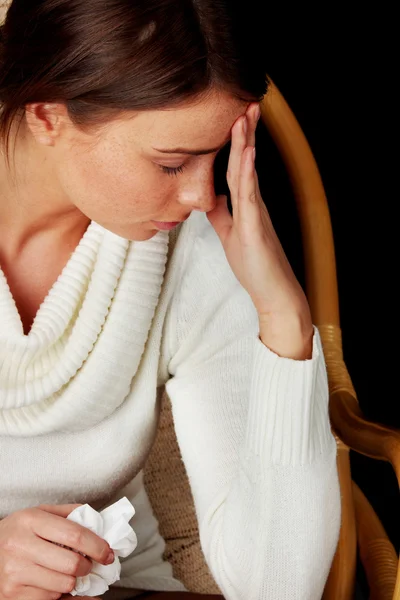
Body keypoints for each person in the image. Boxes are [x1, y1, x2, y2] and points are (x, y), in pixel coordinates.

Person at [0, 0, 341, 598]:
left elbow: (278, 585)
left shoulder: (194, 249)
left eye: (219, 158)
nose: (200, 195)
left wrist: (283, 316)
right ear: (47, 116)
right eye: (171, 162)